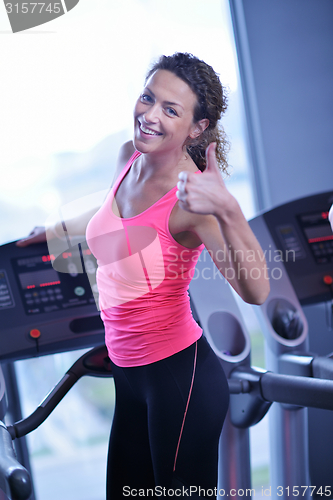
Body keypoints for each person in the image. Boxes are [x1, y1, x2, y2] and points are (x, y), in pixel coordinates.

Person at [17, 52, 270, 498]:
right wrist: (52, 232)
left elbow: (256, 290)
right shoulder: (127, 157)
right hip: (130, 376)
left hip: (180, 380)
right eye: (147, 98)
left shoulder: (193, 201)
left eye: (170, 110)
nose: (150, 116)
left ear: (197, 128)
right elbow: (111, 220)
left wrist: (228, 208)